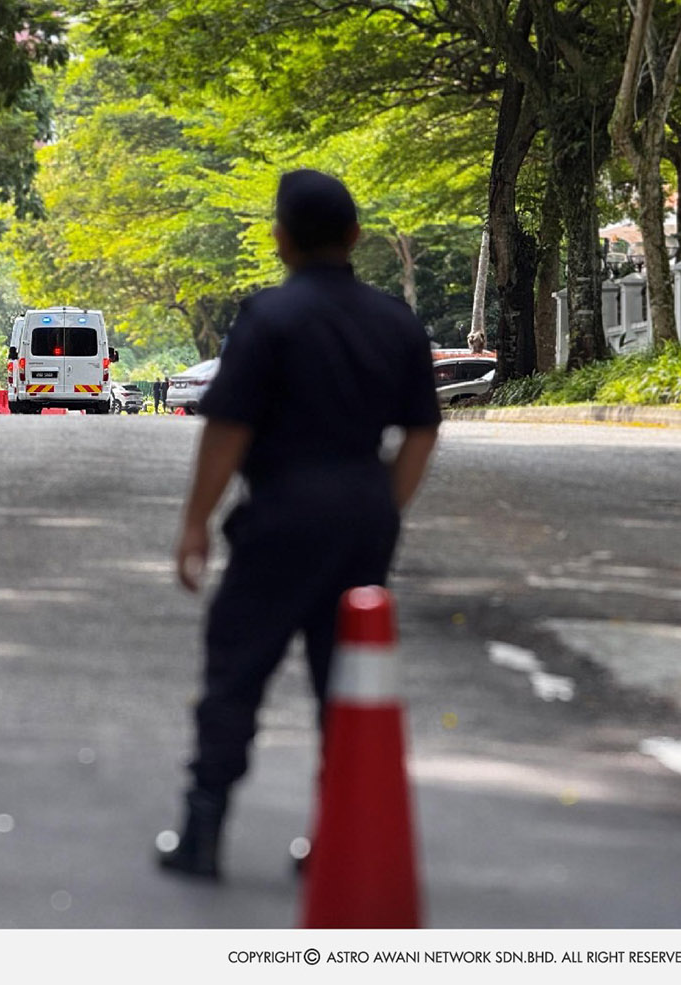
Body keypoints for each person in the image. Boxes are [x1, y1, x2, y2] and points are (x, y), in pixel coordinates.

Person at [159, 169, 440, 879]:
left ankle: (201, 832)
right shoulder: (395, 321)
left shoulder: (268, 319)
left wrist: (196, 521)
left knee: (237, 668)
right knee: (345, 685)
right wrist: (382, 507)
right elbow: (420, 433)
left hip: (281, 513)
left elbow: (228, 429)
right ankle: (335, 840)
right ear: (355, 237)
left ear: (281, 242)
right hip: (361, 513)